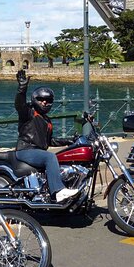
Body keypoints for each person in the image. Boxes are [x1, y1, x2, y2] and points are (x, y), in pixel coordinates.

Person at [14, 70, 79, 202]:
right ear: (34, 100)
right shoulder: (29, 113)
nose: (44, 102)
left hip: (37, 151)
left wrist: (70, 140)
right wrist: (22, 88)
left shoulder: (47, 120)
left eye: (47, 100)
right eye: (41, 99)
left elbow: (50, 141)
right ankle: (58, 191)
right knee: (50, 157)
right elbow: (19, 104)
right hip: (26, 150)